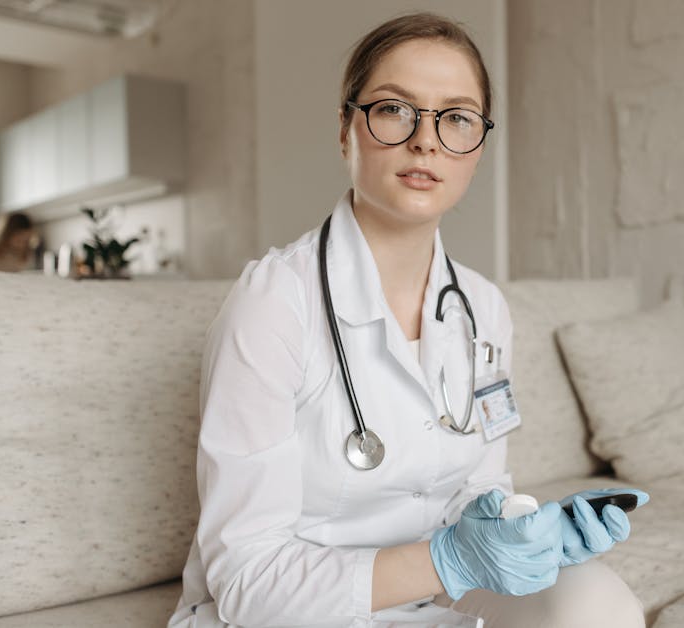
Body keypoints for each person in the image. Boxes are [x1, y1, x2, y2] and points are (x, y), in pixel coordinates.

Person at [168, 13, 645, 628]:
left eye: (457, 118)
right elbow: (248, 583)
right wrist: (450, 560)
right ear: (346, 129)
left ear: (477, 146)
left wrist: (526, 536)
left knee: (596, 604)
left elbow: (477, 488)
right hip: (286, 611)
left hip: (432, 591)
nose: (427, 141)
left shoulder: (482, 307)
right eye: (395, 109)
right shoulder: (274, 302)